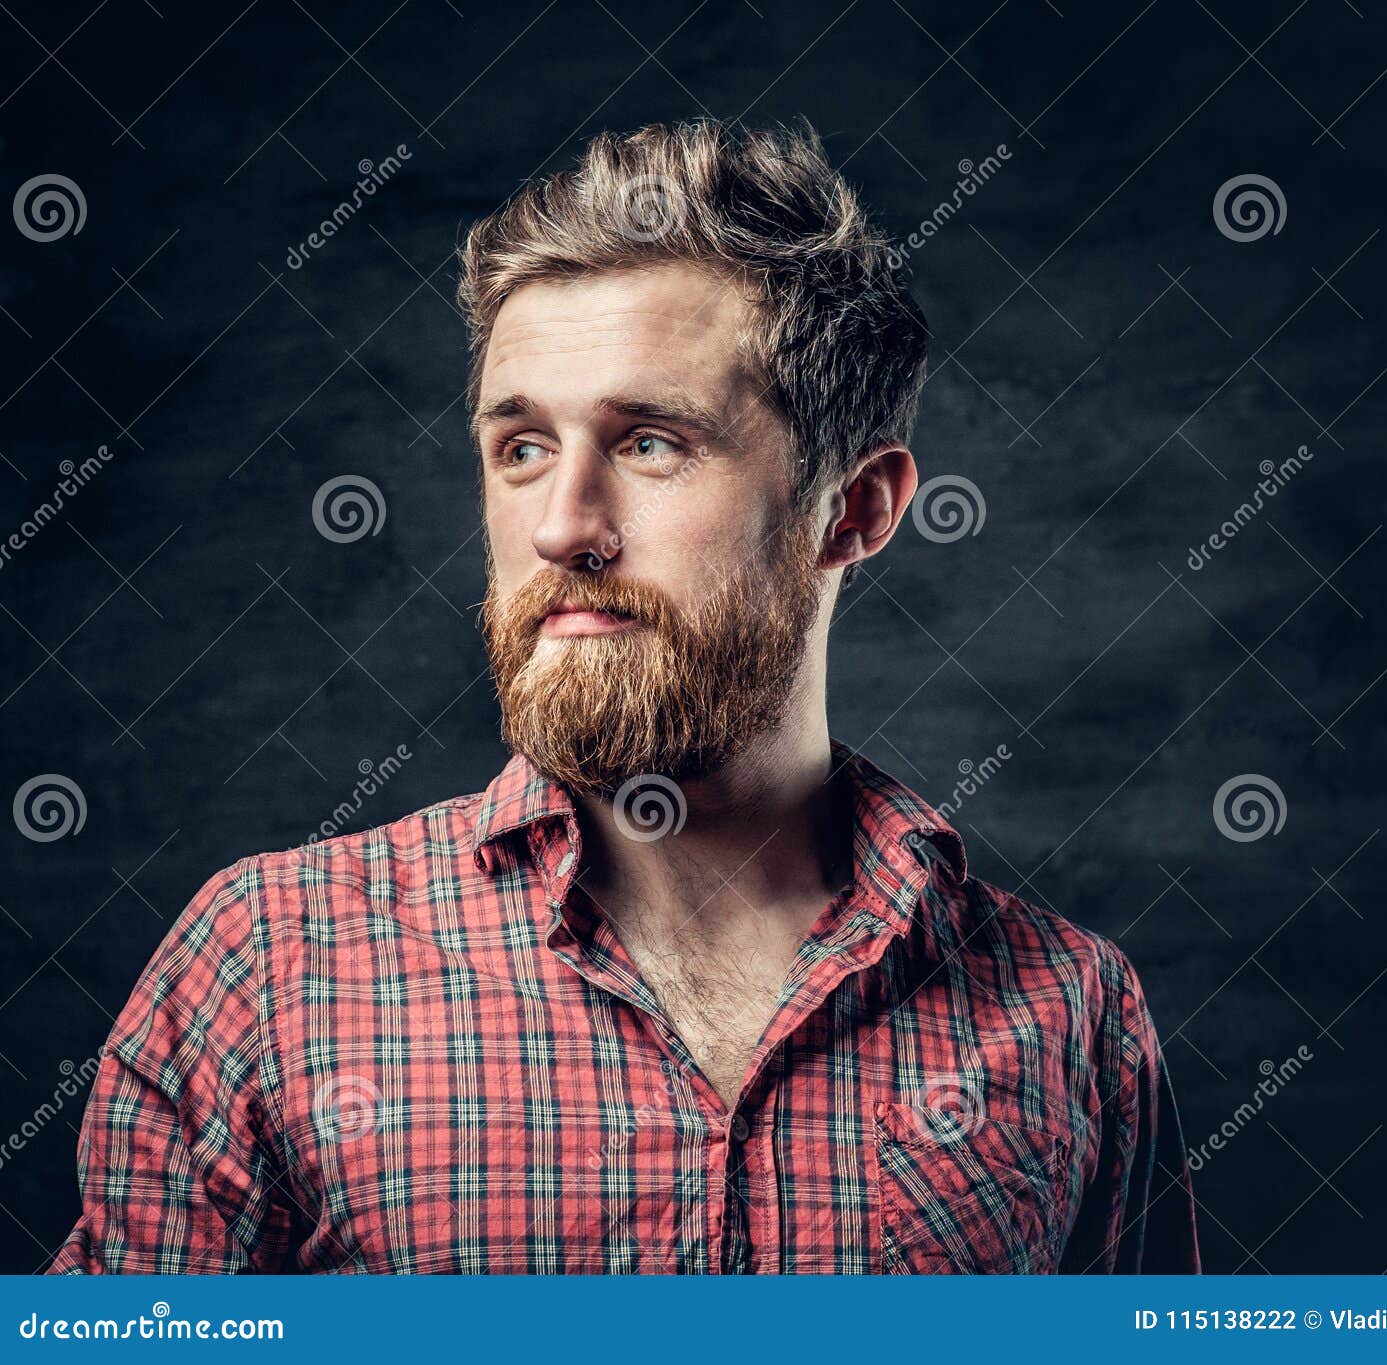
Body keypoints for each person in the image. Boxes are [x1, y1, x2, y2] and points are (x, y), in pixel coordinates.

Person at [50, 117, 1200, 1275]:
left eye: (650, 443)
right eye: (521, 449)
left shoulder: (1069, 1013)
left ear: (852, 510)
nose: (562, 526)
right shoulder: (267, 964)